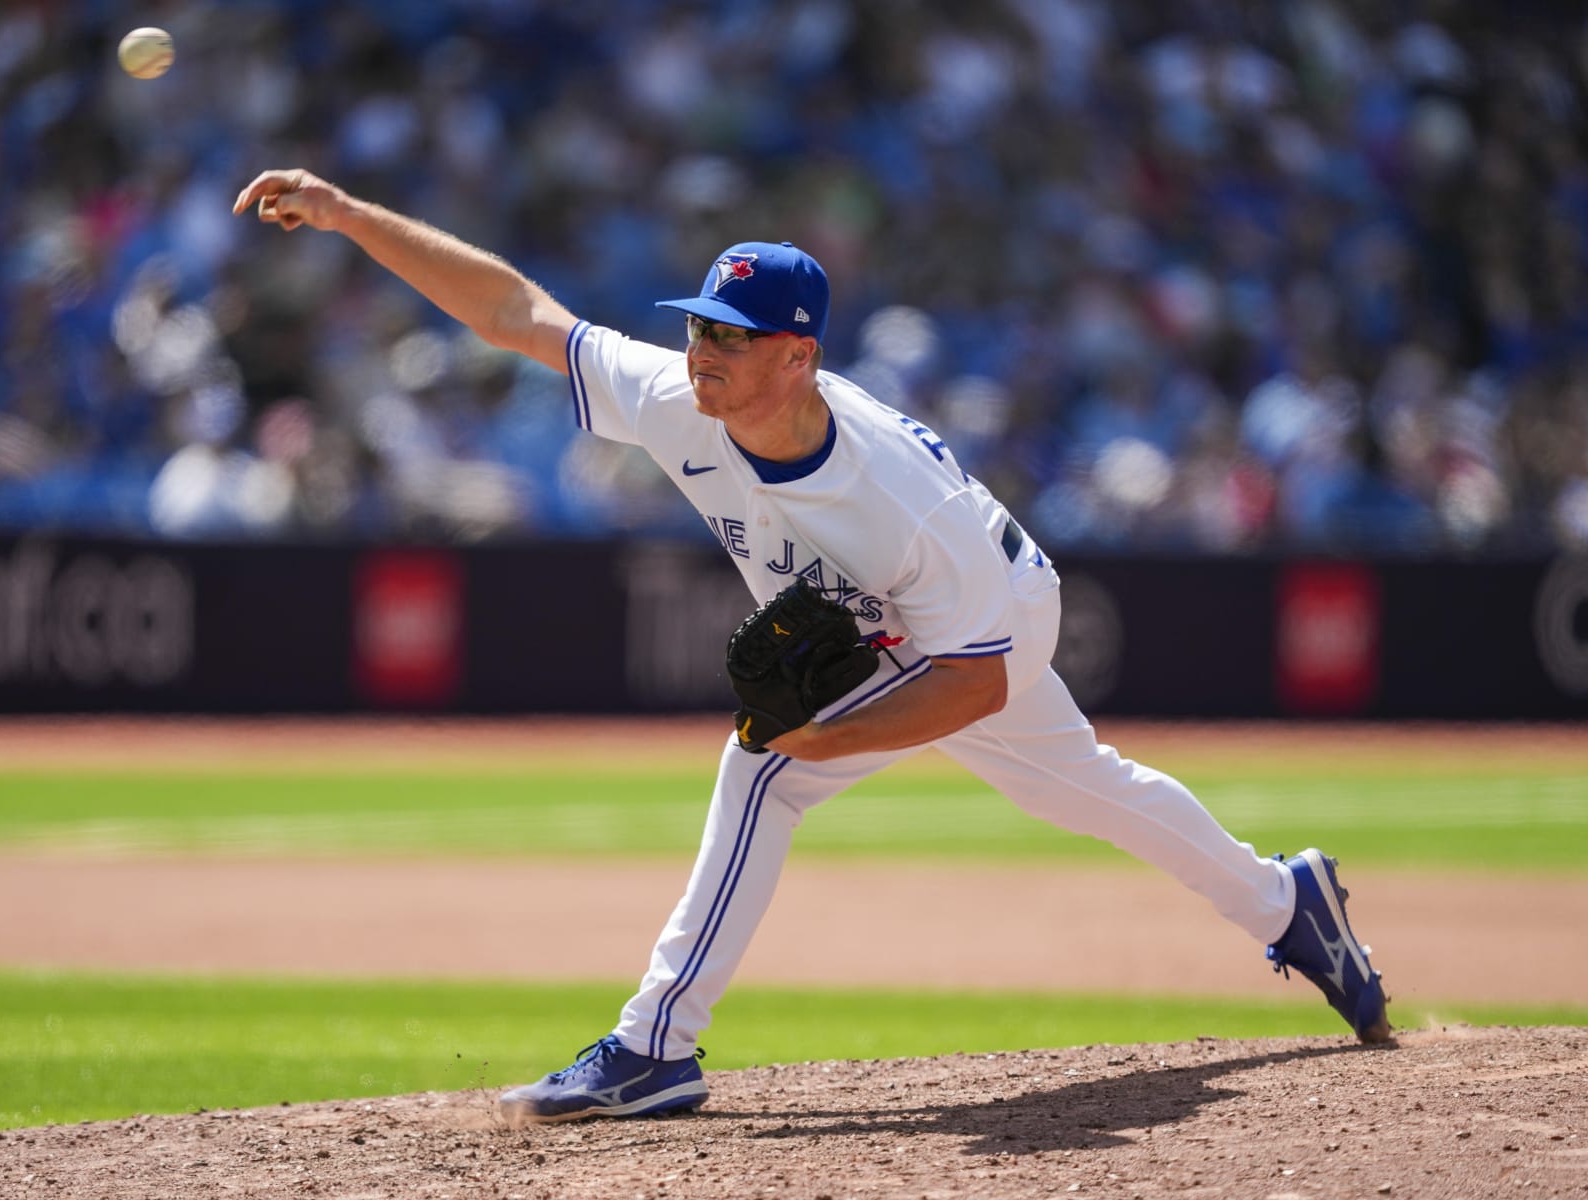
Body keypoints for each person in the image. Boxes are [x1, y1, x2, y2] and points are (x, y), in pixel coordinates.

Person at [232, 169, 1392, 1124]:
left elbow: (976, 678)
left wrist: (805, 733)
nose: (701, 352)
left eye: (731, 337)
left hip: (983, 618)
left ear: (799, 355)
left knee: (767, 769)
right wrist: (344, 215)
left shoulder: (889, 494)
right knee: (1091, 791)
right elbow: (515, 315)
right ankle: (1288, 905)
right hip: (924, 626)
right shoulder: (682, 401)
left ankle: (654, 1046)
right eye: (697, 327)